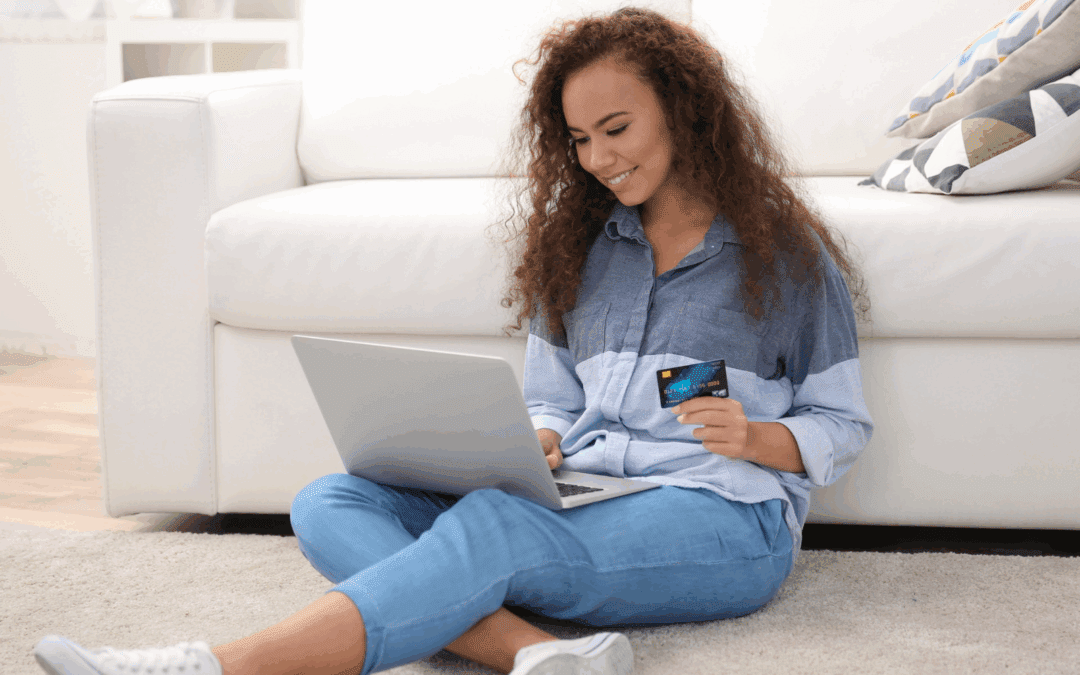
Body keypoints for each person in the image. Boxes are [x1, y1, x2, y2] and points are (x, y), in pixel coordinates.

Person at [33, 6, 873, 675]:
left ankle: (218, 665)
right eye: (580, 139)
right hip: (589, 489)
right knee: (332, 500)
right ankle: (539, 655)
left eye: (616, 128)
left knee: (493, 526)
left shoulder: (783, 256)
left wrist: (758, 437)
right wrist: (540, 436)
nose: (597, 159)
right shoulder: (582, 249)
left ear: (685, 111)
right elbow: (554, 397)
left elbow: (842, 421)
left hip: (724, 516)